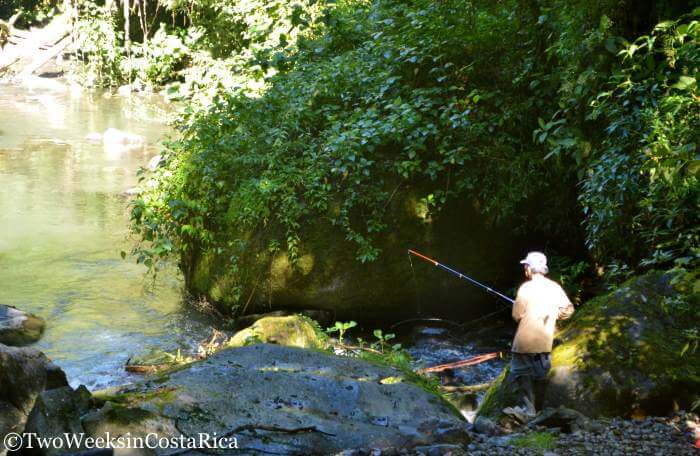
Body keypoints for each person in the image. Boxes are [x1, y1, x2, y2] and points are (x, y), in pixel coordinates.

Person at [505, 251, 574, 419]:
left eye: (525, 266)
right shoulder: (555, 287)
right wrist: (556, 314)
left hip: (524, 343)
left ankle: (528, 412)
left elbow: (516, 315)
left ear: (530, 268)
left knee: (521, 375)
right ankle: (540, 413)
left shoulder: (526, 288)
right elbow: (569, 309)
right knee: (540, 376)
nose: (524, 269)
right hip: (544, 343)